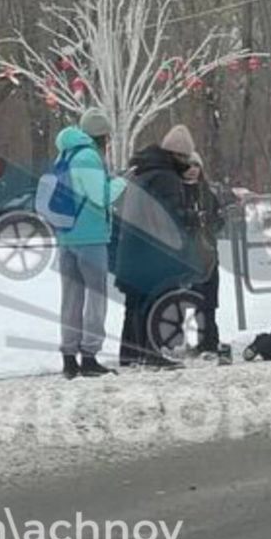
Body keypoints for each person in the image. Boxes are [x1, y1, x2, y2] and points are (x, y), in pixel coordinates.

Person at [111, 124, 203, 370]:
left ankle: (130, 353)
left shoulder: (141, 172)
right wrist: (192, 219)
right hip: (152, 253)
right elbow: (171, 218)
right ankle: (153, 352)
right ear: (180, 156)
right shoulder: (167, 178)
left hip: (131, 248)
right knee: (154, 301)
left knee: (135, 304)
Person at [54, 108, 125, 379]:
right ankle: (90, 355)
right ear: (103, 136)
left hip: (67, 236)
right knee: (96, 297)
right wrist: (121, 182)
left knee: (70, 298)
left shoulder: (65, 154)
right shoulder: (88, 157)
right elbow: (100, 197)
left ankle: (69, 357)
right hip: (91, 236)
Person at [182, 152, 224, 356]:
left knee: (208, 302)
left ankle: (209, 341)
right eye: (187, 166)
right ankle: (177, 341)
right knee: (186, 300)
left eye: (195, 166)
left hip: (207, 254)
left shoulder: (207, 194)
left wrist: (209, 222)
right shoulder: (177, 192)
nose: (191, 170)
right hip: (185, 256)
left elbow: (219, 221)